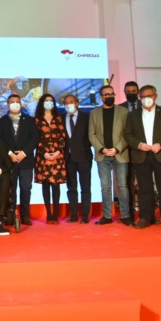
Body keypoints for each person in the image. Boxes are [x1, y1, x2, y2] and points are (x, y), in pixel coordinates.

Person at [124, 85, 161, 230]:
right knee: (144, 189)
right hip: (141, 156)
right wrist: (139, 144)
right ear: (140, 98)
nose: (146, 99)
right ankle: (145, 217)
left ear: (155, 96)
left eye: (149, 96)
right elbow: (128, 135)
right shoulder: (133, 114)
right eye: (143, 97)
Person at [89, 85, 132, 226]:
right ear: (101, 97)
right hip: (103, 156)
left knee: (123, 186)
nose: (109, 96)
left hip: (120, 154)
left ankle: (126, 215)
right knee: (105, 187)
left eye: (111, 94)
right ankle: (107, 216)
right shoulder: (94, 113)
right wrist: (102, 149)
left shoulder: (124, 112)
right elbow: (91, 134)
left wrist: (117, 148)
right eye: (106, 95)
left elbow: (128, 133)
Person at [0, 94, 39, 225]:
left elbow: (35, 138)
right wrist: (10, 154)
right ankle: (12, 214)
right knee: (11, 189)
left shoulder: (30, 120)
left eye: (17, 102)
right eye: (12, 102)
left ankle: (25, 215)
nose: (14, 104)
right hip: (9, 161)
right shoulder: (2, 121)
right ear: (8, 105)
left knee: (26, 188)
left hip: (26, 160)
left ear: (21, 104)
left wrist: (24, 153)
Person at [34, 94, 67, 224]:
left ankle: (56, 214)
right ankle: (49, 213)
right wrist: (45, 152)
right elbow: (36, 138)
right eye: (46, 101)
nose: (49, 102)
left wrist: (58, 151)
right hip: (43, 155)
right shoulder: (37, 119)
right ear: (42, 103)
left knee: (56, 184)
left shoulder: (59, 118)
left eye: (51, 101)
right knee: (46, 184)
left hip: (58, 154)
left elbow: (62, 136)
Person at [63, 94, 92, 224]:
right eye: (66, 103)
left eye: (71, 102)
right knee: (71, 188)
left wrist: (82, 147)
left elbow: (91, 135)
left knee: (85, 188)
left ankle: (85, 214)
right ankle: (73, 214)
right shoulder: (61, 118)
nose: (69, 104)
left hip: (84, 157)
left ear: (77, 103)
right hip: (68, 158)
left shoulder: (87, 117)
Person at [118, 81, 143, 222]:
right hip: (125, 153)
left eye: (134, 91)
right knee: (127, 185)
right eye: (128, 91)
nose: (131, 93)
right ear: (124, 92)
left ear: (138, 92)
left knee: (145, 185)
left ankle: (148, 215)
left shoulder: (145, 105)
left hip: (144, 152)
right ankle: (130, 216)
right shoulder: (120, 108)